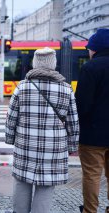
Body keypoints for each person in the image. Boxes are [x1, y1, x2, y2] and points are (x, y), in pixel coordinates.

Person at [5, 47, 79, 213]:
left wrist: (10, 138)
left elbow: (11, 117)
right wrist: (73, 146)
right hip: (53, 148)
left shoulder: (22, 87)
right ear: (54, 64)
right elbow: (73, 122)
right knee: (46, 185)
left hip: (25, 144)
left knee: (22, 181)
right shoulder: (66, 89)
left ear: (34, 63)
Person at [75, 28, 109, 213]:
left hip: (92, 136)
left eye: (89, 48)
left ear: (95, 49)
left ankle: (90, 211)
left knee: (92, 176)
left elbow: (82, 105)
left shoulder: (90, 68)